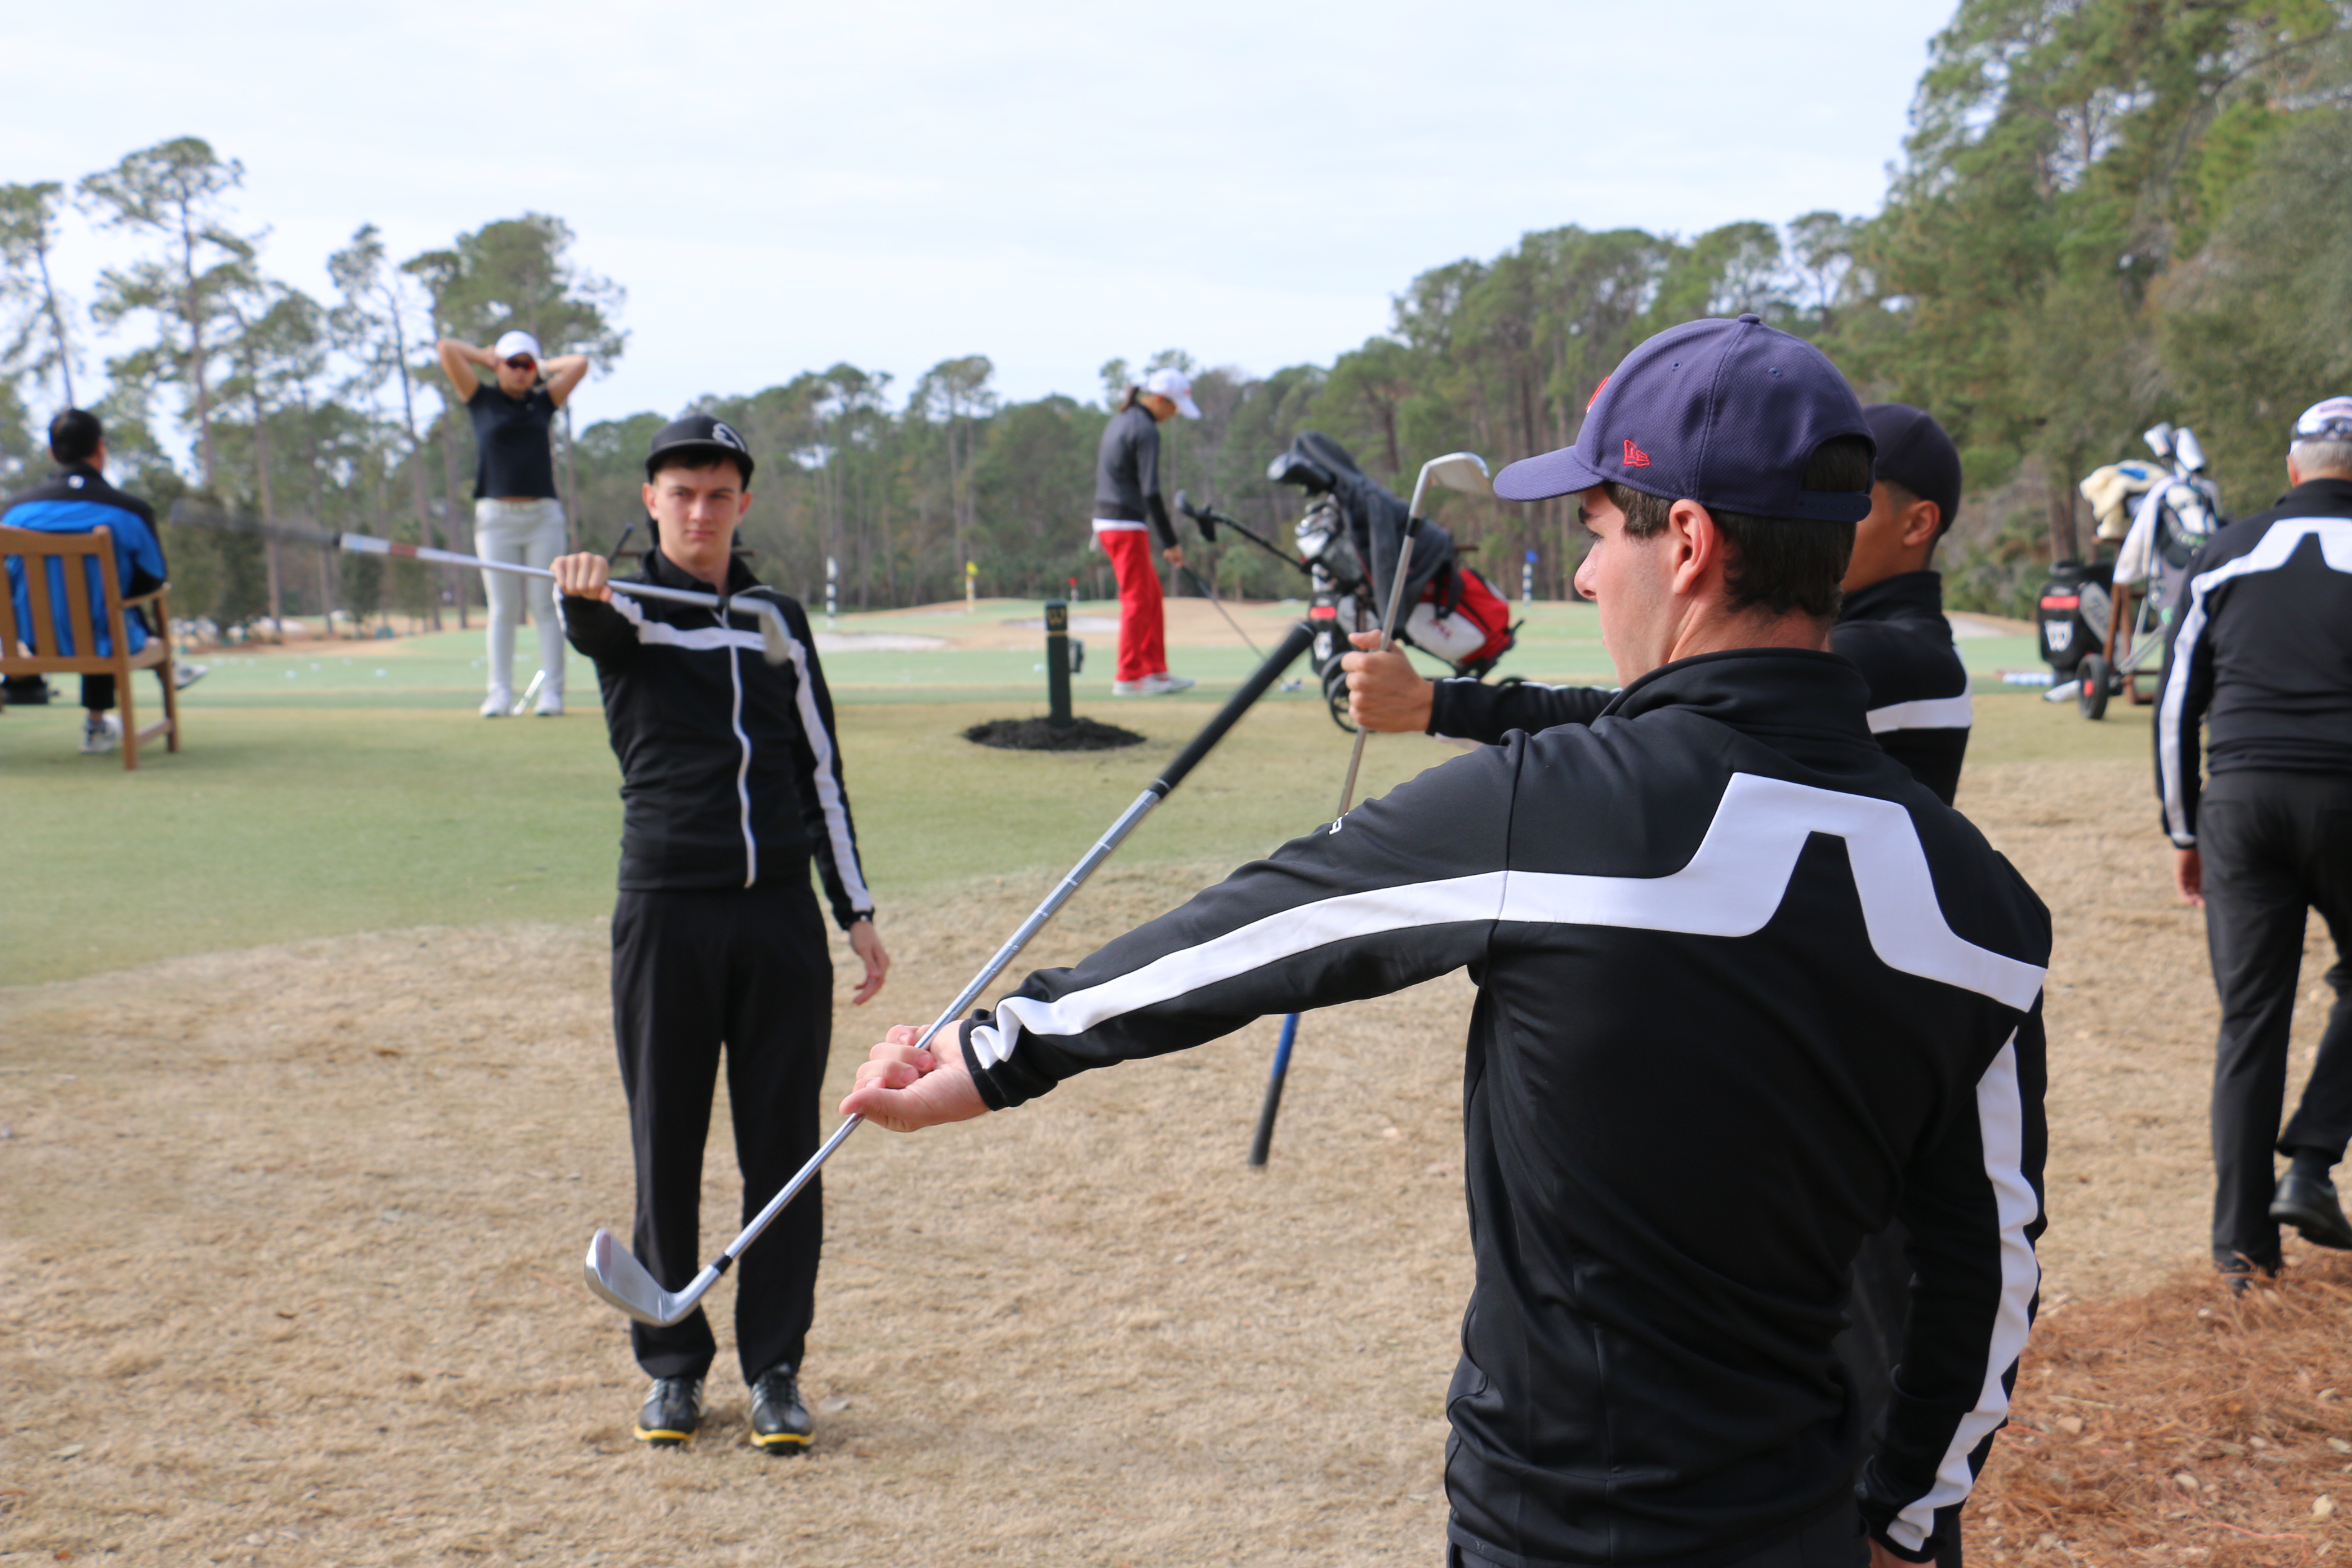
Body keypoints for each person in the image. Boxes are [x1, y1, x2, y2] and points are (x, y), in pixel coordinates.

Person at [843, 315, 2050, 1568]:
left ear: (1688, 543)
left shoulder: (1549, 807)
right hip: (1802, 1527)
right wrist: (1908, 1519)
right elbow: (1986, 1261)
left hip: (1550, 1529)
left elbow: (1261, 926)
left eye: (1598, 531)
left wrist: (995, 1050)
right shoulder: (1986, 907)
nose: (1585, 576)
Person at [551, 413, 891, 1454]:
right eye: (680, 494)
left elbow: (818, 767)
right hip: (667, 910)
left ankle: (776, 1367)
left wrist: (855, 908)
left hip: (778, 914)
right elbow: (597, 635)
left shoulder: (776, 617)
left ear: (741, 503)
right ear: (650, 502)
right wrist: (579, 595)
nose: (699, 512)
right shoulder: (625, 605)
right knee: (666, 1142)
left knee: (784, 1152)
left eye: (717, 494)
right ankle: (672, 1368)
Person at [1340, 403, 1972, 805]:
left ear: (1917, 524)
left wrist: (1435, 703)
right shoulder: (1881, 644)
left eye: (1851, 502)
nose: (1817, 519)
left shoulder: (1891, 654)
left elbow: (1636, 721)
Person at [2157, 394, 2352, 1282]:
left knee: (2251, 1021)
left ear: (2292, 471)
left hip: (2238, 802)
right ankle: (2310, 1160)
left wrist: (2183, 826)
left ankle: (2242, 1254)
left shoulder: (2225, 551)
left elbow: (2175, 704)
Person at [2, 408, 205, 752]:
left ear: (52, 453)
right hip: (108, 639)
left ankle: (97, 722)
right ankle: (99, 724)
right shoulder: (129, 510)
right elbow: (153, 579)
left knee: (91, 613)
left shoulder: (14, 512)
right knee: (106, 613)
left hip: (31, 642)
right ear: (100, 448)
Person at [437, 329, 589, 718]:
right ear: (498, 365)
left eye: (527, 365)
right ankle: (499, 693)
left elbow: (579, 364)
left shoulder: (543, 402)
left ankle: (552, 693)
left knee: (546, 605)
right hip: (496, 519)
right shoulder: (480, 399)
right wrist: (486, 357)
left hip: (543, 518)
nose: (520, 371)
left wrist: (542, 366)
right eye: (513, 363)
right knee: (503, 608)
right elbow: (448, 349)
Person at [1093, 365, 1199, 696]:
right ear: (1160, 400)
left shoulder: (1124, 419)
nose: (1174, 414)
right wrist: (1171, 542)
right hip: (1122, 523)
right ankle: (1128, 677)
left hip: (1116, 521)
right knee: (1137, 600)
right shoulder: (1146, 429)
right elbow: (1151, 491)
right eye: (1174, 407)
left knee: (1150, 596)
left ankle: (1155, 672)